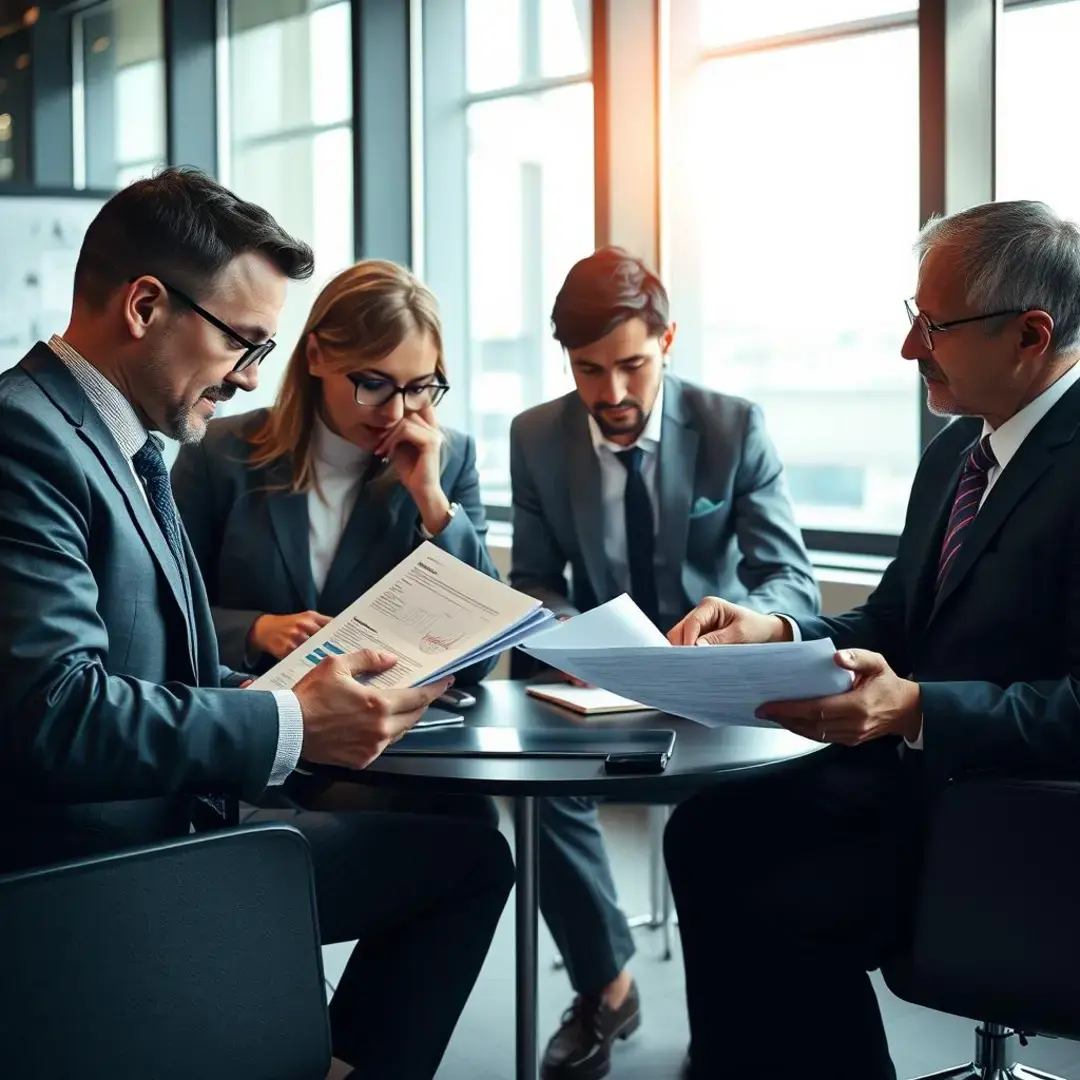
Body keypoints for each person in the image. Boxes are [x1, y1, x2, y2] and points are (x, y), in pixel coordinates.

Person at [0, 168, 514, 1080]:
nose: (245, 379)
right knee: (469, 866)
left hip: (169, 830)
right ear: (146, 306)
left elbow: (156, 666)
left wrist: (285, 698)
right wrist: (293, 720)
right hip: (103, 876)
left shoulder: (106, 436)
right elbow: (54, 715)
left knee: (465, 849)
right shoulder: (27, 440)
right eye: (243, 343)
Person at [663, 200, 1080, 1080]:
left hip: (1020, 817)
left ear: (1030, 336)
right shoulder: (957, 454)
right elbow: (896, 620)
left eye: (932, 326)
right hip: (923, 788)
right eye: (911, 319)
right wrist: (773, 629)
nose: (908, 350)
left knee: (777, 900)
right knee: (706, 832)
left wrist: (917, 708)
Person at [509, 246, 820, 1079]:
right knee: (539, 794)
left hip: (716, 691)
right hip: (599, 691)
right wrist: (567, 635)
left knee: (730, 826)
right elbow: (533, 578)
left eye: (632, 366)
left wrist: (750, 627)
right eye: (588, 371)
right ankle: (608, 987)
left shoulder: (733, 425)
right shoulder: (535, 436)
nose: (611, 395)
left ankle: (726, 1026)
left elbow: (787, 573)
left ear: (669, 341)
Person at [171, 258, 500, 819]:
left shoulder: (447, 457)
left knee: (470, 823)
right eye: (373, 384)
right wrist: (256, 630)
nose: (396, 411)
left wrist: (432, 501)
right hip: (261, 735)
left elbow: (476, 662)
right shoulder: (222, 453)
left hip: (386, 748)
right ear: (318, 355)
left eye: (419, 387)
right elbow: (170, 617)